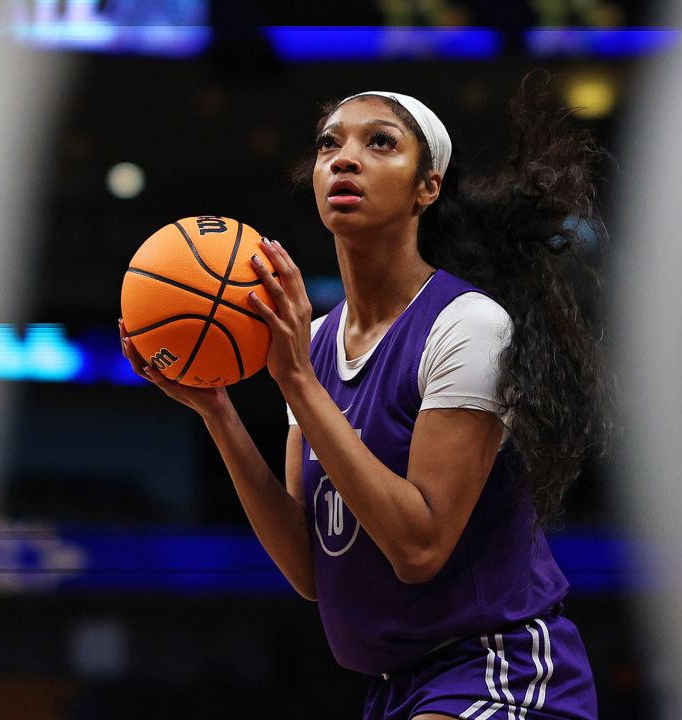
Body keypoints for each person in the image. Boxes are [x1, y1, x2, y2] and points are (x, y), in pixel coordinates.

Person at [119, 74, 610, 720]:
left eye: (381, 143)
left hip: (500, 669)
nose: (344, 158)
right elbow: (307, 568)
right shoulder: (316, 339)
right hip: (397, 687)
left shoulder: (466, 325)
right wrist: (217, 410)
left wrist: (295, 380)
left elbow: (419, 549)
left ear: (427, 186)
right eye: (329, 145)